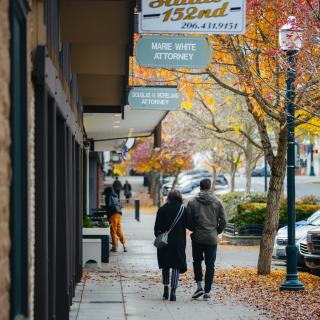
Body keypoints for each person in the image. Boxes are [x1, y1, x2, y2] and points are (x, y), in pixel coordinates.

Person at [187, 178, 226, 300]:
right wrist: (217, 231)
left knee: (197, 261)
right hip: (211, 238)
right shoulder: (217, 202)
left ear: (200, 187)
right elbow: (224, 220)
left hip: (198, 237)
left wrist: (195, 229)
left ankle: (199, 286)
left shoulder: (192, 202)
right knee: (210, 265)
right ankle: (207, 291)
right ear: (210, 187)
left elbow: (188, 221)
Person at [154, 190, 189, 302]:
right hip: (178, 243)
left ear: (168, 197)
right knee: (176, 266)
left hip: (165, 242)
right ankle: (173, 291)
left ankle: (165, 288)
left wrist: (160, 235)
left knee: (165, 265)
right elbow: (191, 225)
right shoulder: (183, 210)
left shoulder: (162, 209)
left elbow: (156, 229)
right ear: (180, 198)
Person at [104, 186, 127, 252]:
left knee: (113, 231)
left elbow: (108, 205)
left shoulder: (108, 196)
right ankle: (124, 246)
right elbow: (117, 204)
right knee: (119, 230)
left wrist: (104, 207)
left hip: (113, 214)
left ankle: (115, 247)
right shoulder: (115, 196)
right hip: (119, 214)